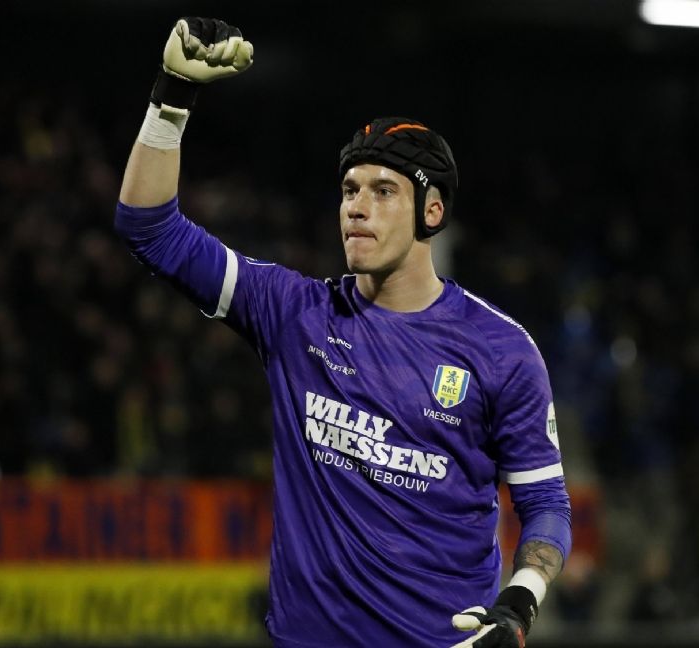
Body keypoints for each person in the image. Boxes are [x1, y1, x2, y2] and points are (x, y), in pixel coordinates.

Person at [115, 17, 572, 647]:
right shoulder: (292, 313)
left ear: (432, 211)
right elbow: (149, 229)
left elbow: (546, 506)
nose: (357, 206)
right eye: (350, 190)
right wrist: (171, 101)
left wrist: (518, 606)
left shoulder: (502, 350)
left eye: (383, 191)